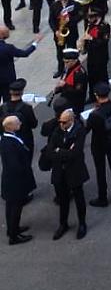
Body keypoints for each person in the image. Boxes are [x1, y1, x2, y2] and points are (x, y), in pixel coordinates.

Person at [42, 105, 89, 240]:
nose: (61, 124)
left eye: (64, 122)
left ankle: (82, 223)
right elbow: (50, 152)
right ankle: (63, 224)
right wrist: (65, 151)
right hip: (59, 171)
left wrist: (59, 151)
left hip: (75, 170)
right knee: (63, 200)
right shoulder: (57, 130)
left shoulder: (79, 131)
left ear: (71, 120)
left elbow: (75, 153)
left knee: (79, 198)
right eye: (60, 122)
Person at [86, 83, 111, 207]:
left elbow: (87, 129)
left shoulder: (94, 115)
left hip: (99, 145)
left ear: (97, 96)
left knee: (100, 171)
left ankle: (102, 197)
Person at [2, 113, 35, 244]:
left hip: (10, 180)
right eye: (18, 123)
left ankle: (12, 229)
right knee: (15, 208)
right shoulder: (10, 144)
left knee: (11, 206)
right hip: (15, 181)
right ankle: (14, 236)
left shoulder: (7, 138)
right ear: (11, 127)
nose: (20, 123)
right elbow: (15, 165)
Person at [0, 25, 43, 91]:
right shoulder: (8, 48)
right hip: (7, 79)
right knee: (7, 99)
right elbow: (25, 53)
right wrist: (35, 42)